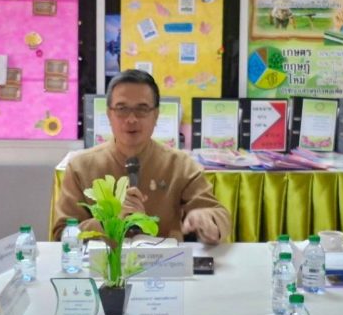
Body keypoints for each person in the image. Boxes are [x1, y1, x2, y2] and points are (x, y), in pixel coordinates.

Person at [53, 69, 231, 244]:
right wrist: (109, 222)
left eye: (142, 109)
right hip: (103, 262)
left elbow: (218, 214)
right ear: (109, 114)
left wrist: (207, 219)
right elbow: (63, 234)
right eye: (122, 109)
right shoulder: (81, 166)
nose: (131, 119)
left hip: (164, 261)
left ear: (156, 115)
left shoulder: (180, 165)